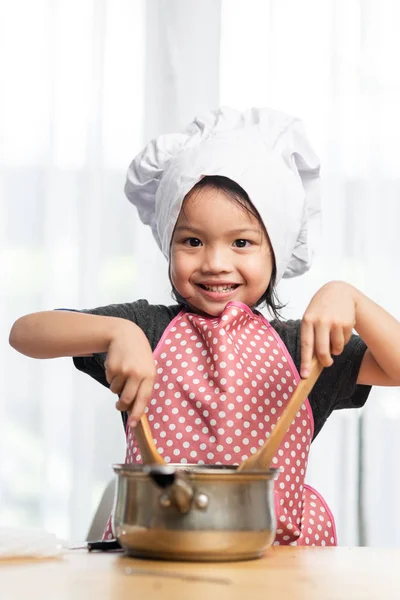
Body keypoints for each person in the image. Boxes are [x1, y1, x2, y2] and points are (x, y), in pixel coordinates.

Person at [9, 107, 400, 547]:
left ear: (277, 250)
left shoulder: (301, 347)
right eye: (192, 241)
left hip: (274, 573)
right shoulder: (147, 328)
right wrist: (116, 334)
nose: (215, 262)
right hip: (152, 560)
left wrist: (352, 298)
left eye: (242, 242)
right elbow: (25, 332)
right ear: (168, 243)